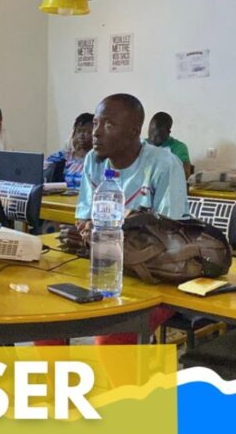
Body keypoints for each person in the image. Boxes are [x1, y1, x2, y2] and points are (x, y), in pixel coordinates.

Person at [49, 93, 187, 346]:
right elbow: (85, 218)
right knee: (49, 319)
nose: (96, 132)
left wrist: (96, 241)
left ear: (134, 131)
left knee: (113, 337)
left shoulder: (165, 164)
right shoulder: (93, 161)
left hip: (157, 278)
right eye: (96, 123)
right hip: (103, 268)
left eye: (109, 125)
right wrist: (83, 235)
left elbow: (168, 236)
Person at [45, 112, 94, 189]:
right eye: (79, 131)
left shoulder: (99, 162)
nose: (81, 135)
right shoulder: (62, 157)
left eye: (87, 132)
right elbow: (41, 170)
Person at [147, 111, 192, 178]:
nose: (152, 138)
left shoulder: (179, 147)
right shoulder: (143, 144)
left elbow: (185, 174)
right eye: (150, 133)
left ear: (168, 132)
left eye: (157, 136)